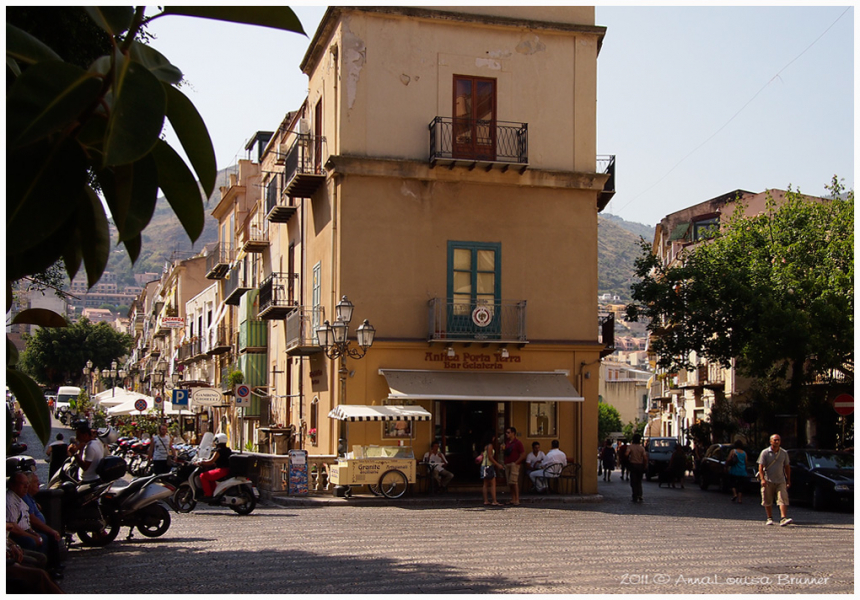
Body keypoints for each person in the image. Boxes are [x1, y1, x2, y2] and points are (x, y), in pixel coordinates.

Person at [23, 472, 64, 578]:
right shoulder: (24, 498)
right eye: (36, 482)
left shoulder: (30, 497)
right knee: (46, 537)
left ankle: (54, 566)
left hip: (33, 528)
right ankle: (48, 568)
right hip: (29, 529)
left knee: (50, 536)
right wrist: (50, 530)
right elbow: (32, 520)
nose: (39, 484)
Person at [757, 434, 792, 526]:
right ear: (771, 441)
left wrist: (788, 479)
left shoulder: (784, 453)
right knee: (767, 499)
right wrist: (762, 479)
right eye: (775, 440)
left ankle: (783, 518)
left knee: (783, 498)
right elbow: (760, 467)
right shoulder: (765, 452)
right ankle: (769, 517)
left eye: (779, 440)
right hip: (768, 480)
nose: (777, 442)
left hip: (780, 480)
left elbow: (787, 466)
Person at [198, 433, 232, 497]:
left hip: (222, 470)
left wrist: (201, 462)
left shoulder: (218, 451)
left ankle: (208, 494)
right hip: (227, 469)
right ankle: (213, 492)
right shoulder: (228, 450)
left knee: (203, 476)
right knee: (211, 476)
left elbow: (211, 461)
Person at [501, 427, 526, 506]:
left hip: (514, 464)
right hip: (507, 463)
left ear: (513, 433)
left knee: (514, 482)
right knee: (510, 483)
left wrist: (516, 463)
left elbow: (523, 454)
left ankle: (517, 499)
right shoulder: (508, 442)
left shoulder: (518, 443)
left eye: (508, 432)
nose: (507, 434)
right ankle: (513, 498)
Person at [479, 432, 503, 506]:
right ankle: (494, 500)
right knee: (492, 484)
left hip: (483, 465)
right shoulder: (490, 446)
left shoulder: (484, 446)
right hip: (489, 465)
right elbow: (490, 457)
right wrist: (497, 464)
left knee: (485, 484)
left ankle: (486, 500)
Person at [626, 433, 648, 503]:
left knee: (633, 481)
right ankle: (640, 494)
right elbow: (645, 458)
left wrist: (628, 460)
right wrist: (645, 465)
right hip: (640, 465)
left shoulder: (630, 447)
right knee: (639, 481)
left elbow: (626, 454)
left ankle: (634, 495)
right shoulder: (642, 448)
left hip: (633, 465)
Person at [727, 440, 748, 504]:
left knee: (732, 483)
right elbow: (746, 462)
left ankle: (734, 494)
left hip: (734, 470)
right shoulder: (744, 453)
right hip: (742, 471)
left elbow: (728, 459)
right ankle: (740, 499)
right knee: (740, 485)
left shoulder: (733, 451)